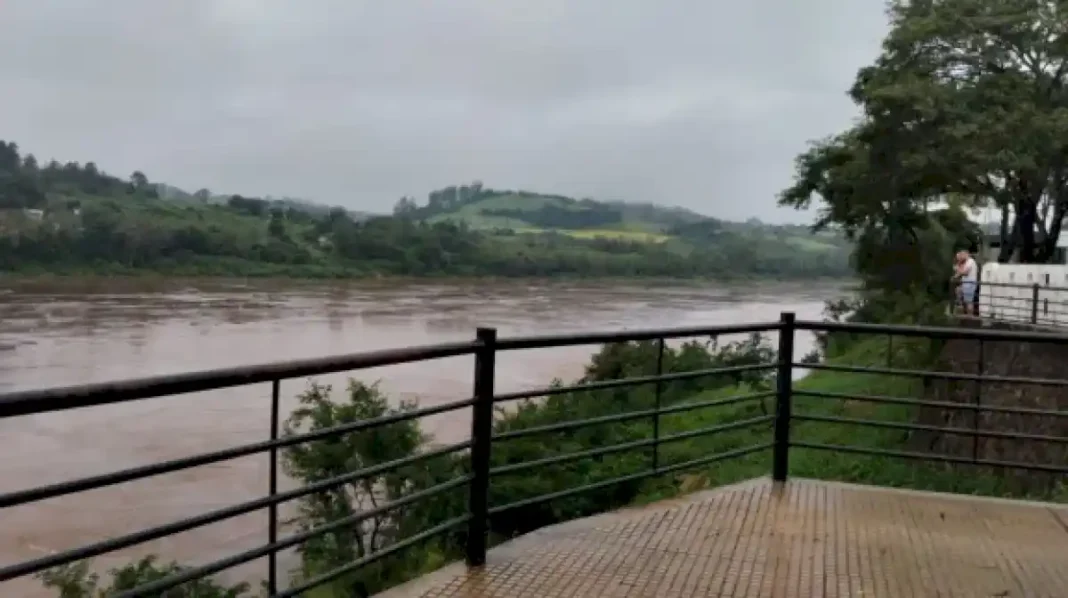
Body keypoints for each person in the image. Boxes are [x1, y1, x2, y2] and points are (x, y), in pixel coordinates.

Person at [952, 249, 979, 316]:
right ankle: (963, 309)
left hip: (969, 284)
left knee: (969, 301)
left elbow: (965, 272)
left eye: (962, 255)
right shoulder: (966, 262)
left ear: (966, 254)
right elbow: (960, 272)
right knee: (958, 291)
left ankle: (970, 316)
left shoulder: (970, 261)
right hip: (966, 283)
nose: (961, 256)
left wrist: (957, 268)